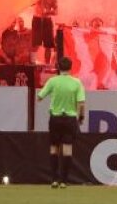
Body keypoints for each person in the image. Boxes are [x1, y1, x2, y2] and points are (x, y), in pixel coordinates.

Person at [36, 56, 86, 189]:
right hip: (70, 118)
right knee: (67, 149)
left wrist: (53, 96)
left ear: (58, 67)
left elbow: (39, 97)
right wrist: (81, 117)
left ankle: (54, 179)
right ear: (71, 68)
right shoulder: (76, 82)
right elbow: (81, 102)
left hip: (55, 118)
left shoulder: (53, 81)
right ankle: (64, 181)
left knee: (54, 148)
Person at [33, 0, 58, 65]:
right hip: (37, 19)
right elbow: (29, 3)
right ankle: (32, 62)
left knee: (48, 45)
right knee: (35, 43)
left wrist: (48, 12)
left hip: (47, 20)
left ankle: (47, 64)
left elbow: (56, 11)